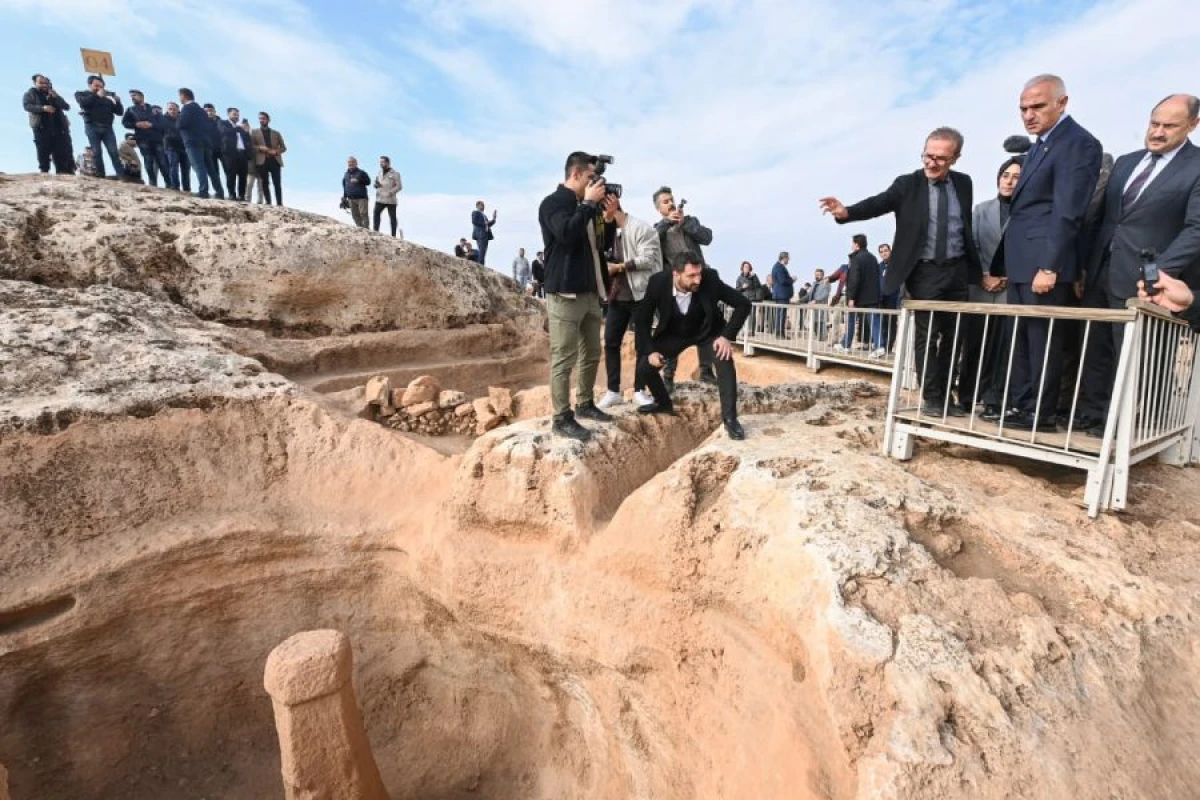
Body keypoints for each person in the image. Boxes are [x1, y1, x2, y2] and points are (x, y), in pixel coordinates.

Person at [820, 126, 983, 416]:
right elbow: (879, 203)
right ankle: (932, 398)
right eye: (927, 155)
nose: (931, 162)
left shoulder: (964, 183)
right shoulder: (907, 184)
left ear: (955, 158)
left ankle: (947, 396)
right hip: (924, 272)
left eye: (940, 158)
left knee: (954, 336)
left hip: (957, 270)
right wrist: (847, 213)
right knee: (927, 335)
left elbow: (964, 226)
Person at [1076, 94, 1200, 434]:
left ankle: (1125, 422)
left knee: (1135, 355)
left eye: (1169, 126)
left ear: (1193, 125)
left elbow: (1196, 228)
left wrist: (1159, 272)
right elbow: (1104, 218)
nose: (1157, 132)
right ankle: (1092, 414)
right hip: (1101, 271)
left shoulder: (1197, 166)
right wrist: (1085, 266)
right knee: (1096, 347)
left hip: (1150, 282)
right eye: (1154, 123)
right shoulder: (1126, 162)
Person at [999, 74, 1102, 431]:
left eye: (1038, 106)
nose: (1029, 115)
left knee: (1043, 340)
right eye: (1023, 108)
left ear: (1062, 102)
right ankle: (1021, 405)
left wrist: (1050, 266)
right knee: (1022, 339)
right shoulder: (1040, 146)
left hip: (1045, 263)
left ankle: (1040, 414)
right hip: (1022, 261)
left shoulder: (1077, 143)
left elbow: (1068, 210)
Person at [633, 252, 752, 440]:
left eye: (699, 274)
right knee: (644, 367)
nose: (698, 280)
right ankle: (663, 403)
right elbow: (642, 319)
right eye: (691, 276)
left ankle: (730, 419)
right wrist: (651, 351)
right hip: (674, 333)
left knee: (724, 360)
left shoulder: (710, 279)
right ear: (676, 274)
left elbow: (743, 304)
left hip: (707, 331)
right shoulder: (658, 282)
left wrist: (726, 336)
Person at [537, 151, 613, 441]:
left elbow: (600, 246)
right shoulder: (553, 203)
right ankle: (561, 418)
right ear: (576, 174)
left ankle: (584, 403)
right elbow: (566, 234)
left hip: (590, 292)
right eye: (591, 177)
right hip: (565, 293)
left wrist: (607, 217)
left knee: (592, 353)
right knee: (564, 357)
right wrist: (590, 204)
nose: (595, 183)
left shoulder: (586, 207)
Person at [966, 155, 1022, 415]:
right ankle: (967, 395)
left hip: (1010, 289)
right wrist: (984, 275)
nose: (1009, 182)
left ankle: (995, 399)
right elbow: (973, 245)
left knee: (1003, 347)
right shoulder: (981, 209)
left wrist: (1008, 276)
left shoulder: (1026, 213)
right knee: (974, 344)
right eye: (1005, 176)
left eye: (1016, 177)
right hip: (980, 287)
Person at [595, 199, 663, 409]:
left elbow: (648, 259)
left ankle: (639, 390)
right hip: (617, 296)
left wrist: (619, 267)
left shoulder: (641, 227)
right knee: (611, 342)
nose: (600, 220)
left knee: (642, 345)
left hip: (641, 295)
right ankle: (613, 391)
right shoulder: (607, 234)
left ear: (611, 207)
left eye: (601, 215)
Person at [653, 186, 717, 385]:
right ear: (658, 208)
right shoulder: (657, 228)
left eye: (671, 199)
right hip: (675, 284)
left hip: (698, 279)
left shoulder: (690, 221)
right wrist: (666, 223)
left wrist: (686, 223)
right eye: (665, 201)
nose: (671, 203)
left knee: (706, 323)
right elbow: (652, 242)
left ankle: (706, 371)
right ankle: (668, 376)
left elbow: (707, 238)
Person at [74, 75, 123, 178]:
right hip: (92, 127)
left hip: (108, 128)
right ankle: (101, 174)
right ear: (89, 85)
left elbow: (119, 112)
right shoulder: (81, 94)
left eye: (101, 86)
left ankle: (121, 175)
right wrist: (97, 96)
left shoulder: (107, 100)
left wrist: (118, 102)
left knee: (114, 152)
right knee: (97, 152)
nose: (99, 88)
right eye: (96, 86)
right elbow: (83, 103)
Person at [838, 234, 881, 351]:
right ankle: (879, 346)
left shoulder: (856, 258)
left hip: (858, 297)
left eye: (852, 243)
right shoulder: (873, 258)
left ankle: (845, 345)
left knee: (851, 321)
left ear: (857, 245)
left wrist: (851, 298)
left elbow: (854, 279)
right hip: (872, 296)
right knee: (874, 323)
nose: (851, 246)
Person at [176, 88, 222, 199]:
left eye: (180, 96)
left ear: (183, 96)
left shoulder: (187, 108)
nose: (179, 98)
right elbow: (208, 126)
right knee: (211, 169)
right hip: (205, 142)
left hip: (192, 142)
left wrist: (178, 121)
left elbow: (181, 124)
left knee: (199, 166)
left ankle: (203, 191)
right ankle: (219, 192)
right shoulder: (201, 110)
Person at [23, 74, 72, 174]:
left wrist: (56, 97)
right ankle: (44, 171)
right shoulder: (30, 93)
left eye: (46, 83)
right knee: (43, 151)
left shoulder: (53, 94)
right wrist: (43, 108)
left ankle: (61, 172)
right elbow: (27, 106)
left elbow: (66, 107)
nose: (44, 85)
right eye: (41, 83)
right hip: (41, 127)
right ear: (35, 83)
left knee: (60, 152)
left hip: (58, 127)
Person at [121, 90, 167, 187]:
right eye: (131, 96)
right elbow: (125, 123)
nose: (132, 97)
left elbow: (163, 124)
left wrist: (151, 125)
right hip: (142, 139)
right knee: (148, 161)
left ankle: (169, 183)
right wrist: (136, 124)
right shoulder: (130, 110)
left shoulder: (154, 110)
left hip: (156, 139)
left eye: (134, 95)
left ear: (141, 96)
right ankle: (153, 183)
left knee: (162, 162)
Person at [252, 111, 286, 205]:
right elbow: (251, 146)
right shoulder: (254, 132)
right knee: (265, 183)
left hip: (275, 160)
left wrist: (276, 151)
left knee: (277, 183)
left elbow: (284, 148)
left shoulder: (276, 133)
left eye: (263, 118)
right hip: (261, 161)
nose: (261, 120)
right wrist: (260, 147)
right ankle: (268, 202)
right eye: (260, 118)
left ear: (268, 120)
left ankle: (279, 203)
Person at [218, 108, 250, 201]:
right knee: (231, 174)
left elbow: (247, 140)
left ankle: (241, 195)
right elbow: (224, 132)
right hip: (230, 153)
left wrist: (246, 131)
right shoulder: (223, 123)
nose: (236, 116)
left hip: (242, 153)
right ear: (228, 114)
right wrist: (238, 128)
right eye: (234, 114)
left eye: (237, 115)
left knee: (243, 175)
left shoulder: (240, 127)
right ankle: (232, 194)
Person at [161, 102, 189, 192]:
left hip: (184, 147)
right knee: (173, 167)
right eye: (170, 109)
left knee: (186, 169)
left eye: (174, 109)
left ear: (178, 109)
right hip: (170, 147)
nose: (172, 111)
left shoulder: (183, 119)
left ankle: (187, 189)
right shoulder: (163, 119)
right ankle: (175, 187)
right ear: (167, 110)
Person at [373, 156, 401, 236]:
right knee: (376, 213)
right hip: (380, 198)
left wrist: (390, 192)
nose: (381, 163)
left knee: (392, 217)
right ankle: (375, 232)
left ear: (388, 163)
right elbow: (378, 183)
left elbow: (399, 186)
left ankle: (393, 235)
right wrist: (376, 185)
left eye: (382, 162)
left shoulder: (395, 173)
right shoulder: (379, 172)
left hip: (390, 199)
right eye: (380, 162)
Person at [342, 156, 371, 227]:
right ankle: (360, 228)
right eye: (349, 162)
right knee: (354, 215)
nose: (351, 164)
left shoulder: (361, 172)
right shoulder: (346, 174)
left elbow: (368, 182)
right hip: (351, 198)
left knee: (363, 213)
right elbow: (345, 186)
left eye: (352, 162)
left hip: (361, 198)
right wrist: (344, 197)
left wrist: (358, 181)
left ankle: (366, 229)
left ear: (356, 163)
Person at [241, 120, 261, 202]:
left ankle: (260, 201)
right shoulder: (243, 138)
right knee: (249, 184)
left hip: (260, 165)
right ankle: (247, 200)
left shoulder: (255, 138)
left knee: (261, 186)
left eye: (247, 126)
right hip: (250, 166)